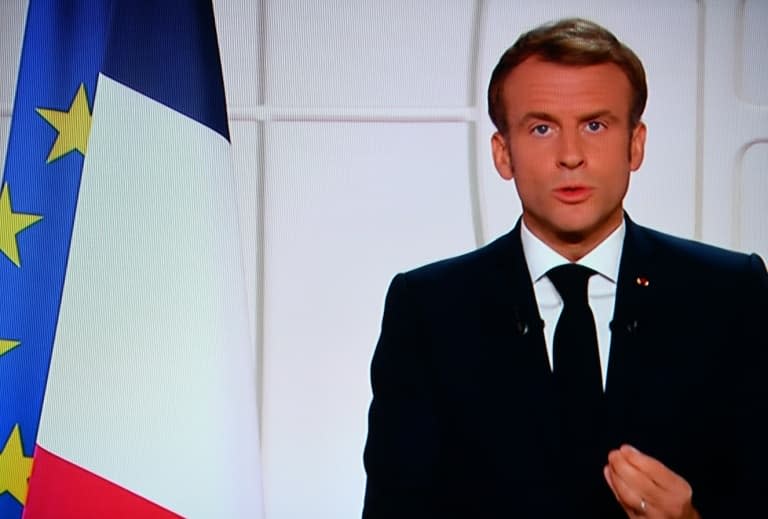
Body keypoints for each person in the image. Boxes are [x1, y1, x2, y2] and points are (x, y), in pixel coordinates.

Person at [362, 17, 768, 519]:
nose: (570, 156)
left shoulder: (729, 295)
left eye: (595, 125)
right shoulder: (429, 310)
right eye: (541, 128)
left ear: (635, 145)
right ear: (503, 152)